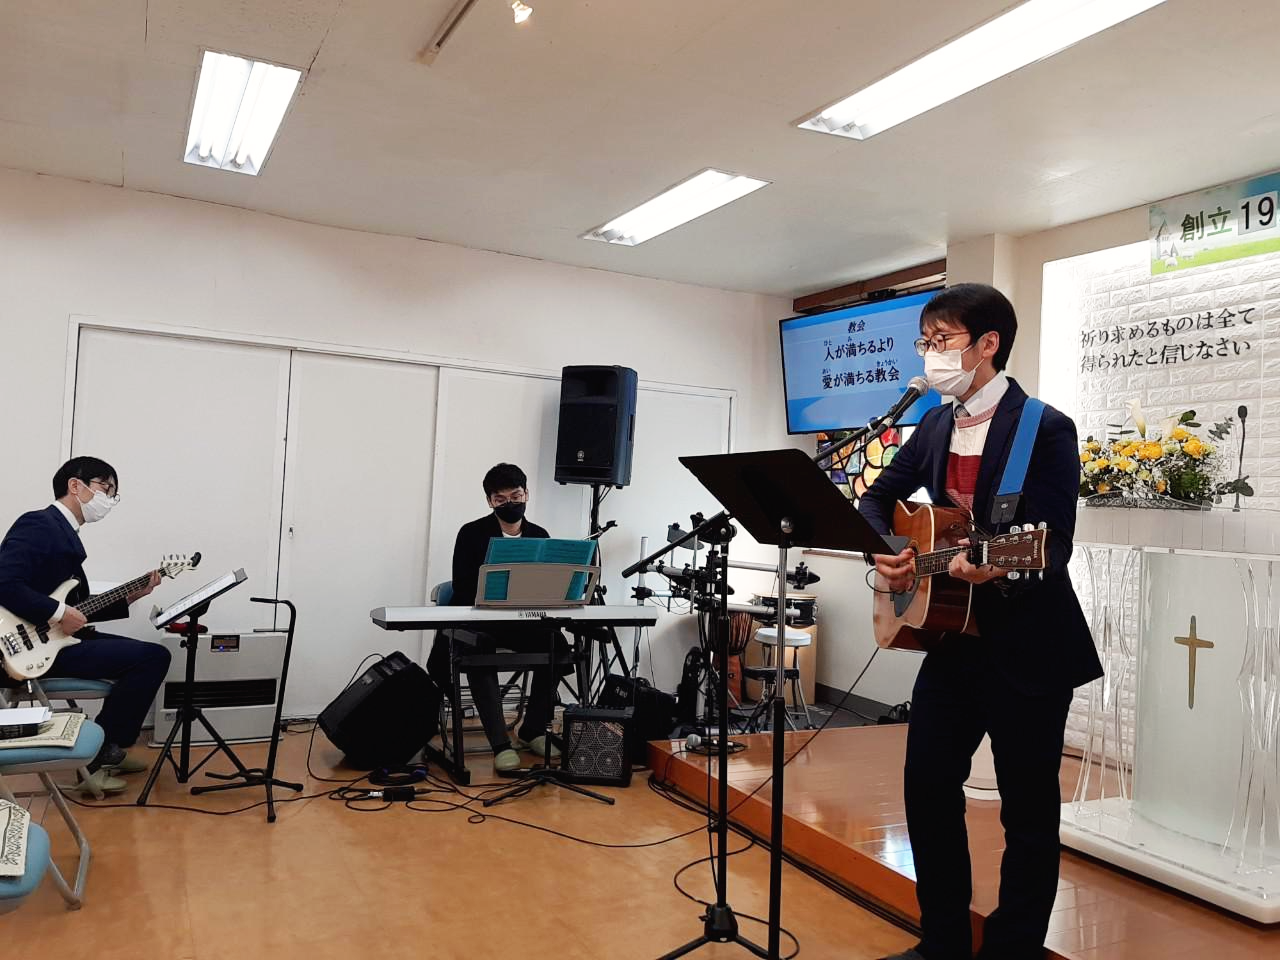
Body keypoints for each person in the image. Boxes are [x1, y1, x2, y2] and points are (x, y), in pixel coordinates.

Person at [859, 285, 1103, 960]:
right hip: (953, 641)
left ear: (988, 344)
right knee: (927, 787)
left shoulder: (1044, 428)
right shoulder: (935, 425)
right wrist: (890, 551)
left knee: (1028, 812)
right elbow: (877, 499)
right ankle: (941, 943)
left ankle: (1012, 950)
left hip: (1030, 645)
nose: (931, 354)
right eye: (926, 342)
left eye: (942, 340)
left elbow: (1052, 544)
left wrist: (995, 566)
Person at [0, 457, 171, 797]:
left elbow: (77, 609)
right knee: (151, 658)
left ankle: (107, 749)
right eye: (105, 488)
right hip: (27, 647)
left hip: (55, 638)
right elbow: (5, 583)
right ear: (75, 485)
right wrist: (57, 611)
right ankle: (99, 756)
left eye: (113, 493)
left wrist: (130, 596)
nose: (109, 498)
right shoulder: (39, 524)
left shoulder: (63, 533)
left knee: (150, 656)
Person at [426, 463, 566, 773]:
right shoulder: (471, 533)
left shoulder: (539, 535)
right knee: (480, 650)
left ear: (526, 494)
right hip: (480, 621)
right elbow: (462, 587)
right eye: (500, 499)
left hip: (522, 622)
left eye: (516, 496)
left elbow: (547, 584)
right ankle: (500, 744)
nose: (509, 503)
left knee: (559, 646)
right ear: (490, 501)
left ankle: (532, 729)